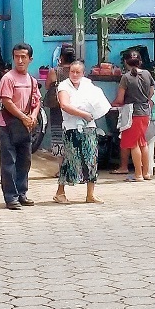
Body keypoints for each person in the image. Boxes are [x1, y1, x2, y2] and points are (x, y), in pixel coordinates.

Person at [54, 60, 108, 204]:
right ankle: (60, 193)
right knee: (71, 160)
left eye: (78, 72)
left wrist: (89, 114)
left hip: (89, 127)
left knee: (92, 160)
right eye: (72, 71)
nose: (75, 75)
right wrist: (82, 114)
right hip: (71, 128)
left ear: (83, 73)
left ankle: (90, 194)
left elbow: (97, 101)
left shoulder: (88, 84)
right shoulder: (63, 86)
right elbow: (65, 105)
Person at [0, 42, 40, 210]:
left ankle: (22, 193)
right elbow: (6, 101)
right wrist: (23, 116)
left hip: (25, 126)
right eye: (17, 57)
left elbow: (37, 101)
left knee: (25, 161)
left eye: (23, 57)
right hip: (7, 124)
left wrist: (33, 116)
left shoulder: (32, 80)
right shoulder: (8, 78)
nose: (20, 60)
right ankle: (10, 197)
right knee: (9, 162)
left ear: (30, 59)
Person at [112, 50, 155, 182]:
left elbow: (120, 99)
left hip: (133, 113)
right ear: (140, 62)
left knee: (134, 144)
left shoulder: (126, 77)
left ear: (125, 62)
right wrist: (144, 100)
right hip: (145, 112)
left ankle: (138, 174)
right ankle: (146, 173)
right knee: (143, 142)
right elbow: (152, 92)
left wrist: (113, 103)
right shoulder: (147, 74)